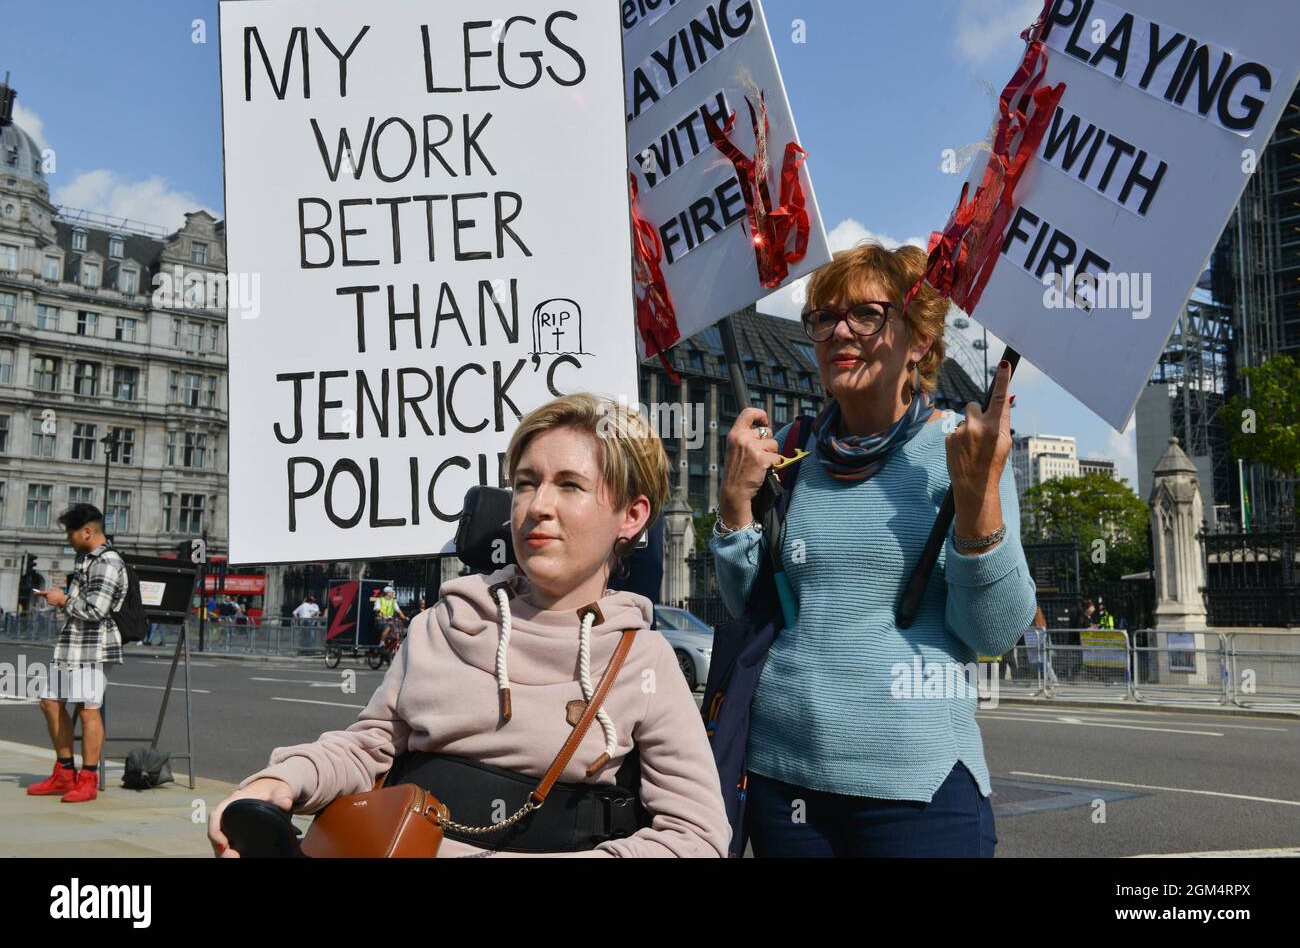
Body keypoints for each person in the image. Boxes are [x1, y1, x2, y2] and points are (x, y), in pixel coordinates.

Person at [210, 394, 729, 857]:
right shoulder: (441, 624)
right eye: (526, 484)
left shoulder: (646, 660)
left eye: (569, 485)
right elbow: (366, 748)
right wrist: (285, 777)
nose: (537, 507)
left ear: (631, 516)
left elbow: (697, 835)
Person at [712, 242, 1037, 857]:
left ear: (917, 342)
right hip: (785, 784)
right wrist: (734, 508)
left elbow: (993, 632)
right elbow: (753, 608)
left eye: (866, 314)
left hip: (917, 790)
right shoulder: (788, 448)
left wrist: (978, 501)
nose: (840, 331)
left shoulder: (961, 449)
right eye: (824, 317)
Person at [27, 504, 128, 803]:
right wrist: (63, 597)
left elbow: (96, 609)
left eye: (70, 533)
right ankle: (64, 772)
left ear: (87, 531)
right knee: (49, 702)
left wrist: (61, 600)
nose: (68, 539)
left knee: (88, 709)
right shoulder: (86, 559)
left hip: (94, 645)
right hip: (72, 644)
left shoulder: (108, 562)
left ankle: (88, 778)